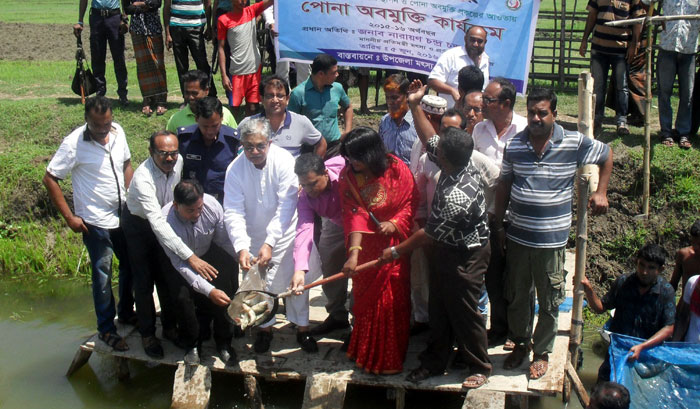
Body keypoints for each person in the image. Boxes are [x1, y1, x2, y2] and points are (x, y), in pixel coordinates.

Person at [494, 88, 613, 379]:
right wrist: (498, 224)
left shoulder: (572, 141)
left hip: (551, 241)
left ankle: (542, 352)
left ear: (554, 114)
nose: (536, 118)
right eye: (532, 112)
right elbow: (505, 184)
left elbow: (607, 154)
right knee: (518, 296)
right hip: (519, 238)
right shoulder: (515, 145)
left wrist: (601, 192)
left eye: (542, 112)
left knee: (549, 300)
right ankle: (520, 345)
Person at [380, 127, 492, 389]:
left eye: (438, 152)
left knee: (464, 310)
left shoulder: (458, 195)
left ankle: (479, 365)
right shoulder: (459, 160)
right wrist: (416, 103)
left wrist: (396, 251)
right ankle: (435, 360)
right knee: (438, 306)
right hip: (446, 246)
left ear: (445, 159)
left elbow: (428, 234)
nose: (433, 152)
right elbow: (427, 136)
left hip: (467, 254)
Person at [43, 96, 134, 351]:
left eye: (107, 123)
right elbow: (50, 178)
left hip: (122, 215)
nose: (103, 130)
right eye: (97, 125)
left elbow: (126, 164)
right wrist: (70, 217)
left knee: (130, 266)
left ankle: (126, 312)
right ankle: (106, 329)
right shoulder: (73, 144)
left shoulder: (118, 132)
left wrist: (134, 197)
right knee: (102, 274)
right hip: (94, 221)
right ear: (87, 120)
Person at [223, 118, 318, 354]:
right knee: (260, 286)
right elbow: (233, 210)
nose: (254, 152)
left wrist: (270, 241)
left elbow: (286, 206)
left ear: (270, 142)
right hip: (253, 238)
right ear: (241, 145)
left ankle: (302, 328)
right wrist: (241, 246)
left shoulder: (285, 161)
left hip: (285, 234)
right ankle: (264, 330)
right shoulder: (234, 169)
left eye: (259, 146)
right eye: (248, 147)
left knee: (297, 282)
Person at [122, 130, 219, 359]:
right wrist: (190, 256)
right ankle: (147, 334)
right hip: (140, 225)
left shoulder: (179, 161)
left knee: (168, 276)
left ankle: (169, 327)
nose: (169, 159)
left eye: (173, 153)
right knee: (144, 281)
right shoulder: (143, 177)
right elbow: (155, 222)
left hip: (166, 220)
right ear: (151, 153)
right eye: (163, 154)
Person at [338, 127, 418, 374]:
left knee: (391, 302)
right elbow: (355, 217)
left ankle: (389, 359)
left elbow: (410, 202)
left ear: (371, 153)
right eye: (349, 157)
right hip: (363, 249)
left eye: (357, 157)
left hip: (395, 247)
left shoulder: (397, 168)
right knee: (365, 303)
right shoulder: (348, 178)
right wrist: (353, 256)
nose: (352, 162)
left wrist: (394, 223)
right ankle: (365, 354)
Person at [162, 179, 237, 364]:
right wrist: (209, 290)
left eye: (199, 209)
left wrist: (242, 259)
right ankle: (192, 344)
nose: (196, 214)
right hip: (181, 262)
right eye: (190, 211)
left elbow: (224, 242)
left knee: (224, 288)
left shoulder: (212, 206)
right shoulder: (164, 223)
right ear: (176, 205)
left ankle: (224, 342)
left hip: (208, 251)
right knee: (182, 298)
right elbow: (180, 264)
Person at [581, 243, 675, 382]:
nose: (644, 272)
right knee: (603, 390)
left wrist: (642, 347)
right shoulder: (623, 283)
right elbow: (600, 308)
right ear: (636, 262)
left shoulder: (666, 292)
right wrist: (588, 289)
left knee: (638, 393)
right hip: (617, 351)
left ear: (660, 269)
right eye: (641, 265)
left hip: (646, 356)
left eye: (651, 268)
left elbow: (669, 328)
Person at [292, 153, 351, 335]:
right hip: (335, 222)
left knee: (360, 269)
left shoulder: (345, 170)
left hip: (361, 221)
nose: (309, 190)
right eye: (304, 185)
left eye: (313, 183)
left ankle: (360, 323)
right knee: (330, 264)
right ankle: (337, 315)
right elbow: (304, 229)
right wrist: (300, 270)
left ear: (325, 173)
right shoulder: (304, 197)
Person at [579, 0, 645, 136]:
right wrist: (584, 39)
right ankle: (597, 118)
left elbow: (637, 20)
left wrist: (634, 44)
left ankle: (621, 121)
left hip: (620, 49)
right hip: (599, 48)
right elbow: (592, 16)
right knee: (598, 86)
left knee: (622, 86)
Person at [239, 75, 326, 158]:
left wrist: (312, 168)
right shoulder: (247, 124)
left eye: (280, 96)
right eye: (270, 96)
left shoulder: (301, 122)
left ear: (287, 99)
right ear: (262, 99)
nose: (275, 100)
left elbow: (321, 144)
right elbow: (235, 147)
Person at [289, 53, 353, 158]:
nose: (337, 75)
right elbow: (291, 122)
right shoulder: (298, 94)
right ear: (321, 74)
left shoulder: (337, 88)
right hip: (309, 151)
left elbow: (348, 107)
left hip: (334, 148)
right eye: (334, 72)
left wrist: (347, 131)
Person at [177, 96, 240, 203]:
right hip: (191, 203)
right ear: (196, 119)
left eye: (215, 126)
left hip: (223, 202)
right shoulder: (184, 140)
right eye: (205, 126)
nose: (210, 131)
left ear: (222, 118)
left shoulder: (232, 141)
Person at [656, 0, 700, 149]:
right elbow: (645, 2)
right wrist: (658, 16)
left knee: (687, 94)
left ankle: (683, 133)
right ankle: (666, 132)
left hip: (689, 50)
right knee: (664, 92)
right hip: (667, 48)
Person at [217, 0, 273, 117]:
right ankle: (233, 132)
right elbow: (221, 48)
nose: (243, 1)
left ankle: (250, 133)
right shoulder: (224, 19)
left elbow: (270, 1)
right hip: (236, 71)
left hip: (254, 69)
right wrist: (224, 75)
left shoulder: (251, 11)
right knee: (234, 108)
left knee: (253, 107)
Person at [73, 0, 129, 105]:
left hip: (114, 17)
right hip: (96, 17)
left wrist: (125, 19)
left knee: (119, 58)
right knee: (97, 56)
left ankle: (123, 93)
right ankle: (100, 93)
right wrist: (80, 21)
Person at [164, 0, 217, 103]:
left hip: (196, 27)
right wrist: (167, 33)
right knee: (182, 66)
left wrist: (209, 26)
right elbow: (166, 7)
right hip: (176, 27)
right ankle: (187, 98)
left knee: (202, 63)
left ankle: (211, 95)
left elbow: (207, 4)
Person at [123, 0, 168, 116]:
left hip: (154, 28)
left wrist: (138, 4)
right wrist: (145, 5)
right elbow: (127, 9)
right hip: (137, 29)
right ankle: (147, 98)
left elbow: (156, 4)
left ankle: (161, 100)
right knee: (143, 66)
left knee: (158, 64)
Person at [428, 26, 489, 108]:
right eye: (472, 40)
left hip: (472, 115)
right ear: (465, 39)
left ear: (485, 42)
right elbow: (433, 81)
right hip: (449, 114)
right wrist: (452, 91)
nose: (475, 44)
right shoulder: (451, 56)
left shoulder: (485, 59)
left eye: (480, 41)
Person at [473, 77, 528, 168]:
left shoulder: (525, 129)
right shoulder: (479, 129)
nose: (481, 104)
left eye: (487, 100)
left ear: (506, 104)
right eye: (482, 98)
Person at [166, 70, 237, 133]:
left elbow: (236, 141)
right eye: (187, 93)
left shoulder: (224, 114)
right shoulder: (175, 119)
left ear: (206, 91)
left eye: (194, 93)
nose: (190, 97)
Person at [378, 74, 418, 165]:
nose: (389, 102)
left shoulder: (417, 123)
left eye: (394, 98)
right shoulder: (385, 121)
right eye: (387, 97)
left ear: (407, 96)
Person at [670, 219, 700, 293]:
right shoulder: (684, 255)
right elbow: (673, 285)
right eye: (693, 242)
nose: (695, 247)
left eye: (699, 244)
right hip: (685, 303)